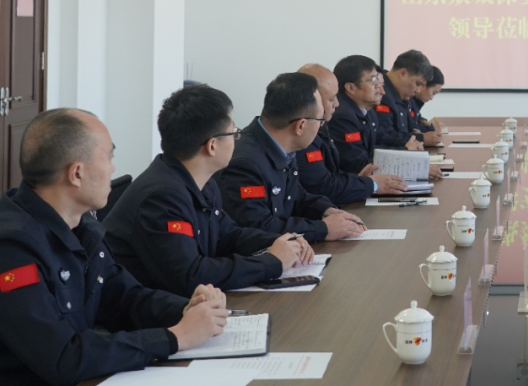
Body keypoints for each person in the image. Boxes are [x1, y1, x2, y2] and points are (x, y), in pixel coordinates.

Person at [0, 108, 228, 385]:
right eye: (108, 157)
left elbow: (125, 300)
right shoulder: (12, 248)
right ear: (76, 174)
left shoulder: (82, 226)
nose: (113, 168)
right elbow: (62, 357)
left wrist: (188, 309)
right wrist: (176, 337)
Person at [105, 85, 311, 296]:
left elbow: (228, 236)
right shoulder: (162, 197)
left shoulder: (202, 182)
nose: (237, 139)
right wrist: (272, 262)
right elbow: (191, 276)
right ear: (212, 146)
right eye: (233, 133)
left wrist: (281, 242)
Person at [217, 72, 366, 243]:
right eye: (320, 121)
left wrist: (326, 210)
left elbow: (295, 196)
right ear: (301, 126)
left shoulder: (283, 146)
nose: (320, 127)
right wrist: (323, 229)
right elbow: (258, 226)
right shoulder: (246, 164)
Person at [295, 64, 408, 204]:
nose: (337, 104)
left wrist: (359, 181)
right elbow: (323, 186)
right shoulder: (335, 120)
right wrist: (370, 184)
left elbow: (332, 175)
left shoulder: (365, 113)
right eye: (331, 99)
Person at [328, 56, 442, 182]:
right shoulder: (343, 116)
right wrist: (412, 163)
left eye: (379, 82)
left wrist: (409, 148)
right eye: (373, 81)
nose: (382, 91)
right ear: (351, 88)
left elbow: (382, 138)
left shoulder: (367, 112)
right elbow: (357, 162)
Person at [378, 49, 433, 149]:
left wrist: (424, 130)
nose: (418, 90)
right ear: (402, 73)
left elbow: (410, 127)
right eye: (417, 84)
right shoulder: (380, 94)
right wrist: (421, 138)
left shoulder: (402, 94)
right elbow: (385, 136)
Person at [411, 65, 444, 146]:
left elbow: (416, 119)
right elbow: (413, 128)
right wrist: (432, 128)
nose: (432, 98)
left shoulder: (416, 102)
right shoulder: (408, 101)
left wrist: (424, 122)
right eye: (433, 93)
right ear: (424, 85)